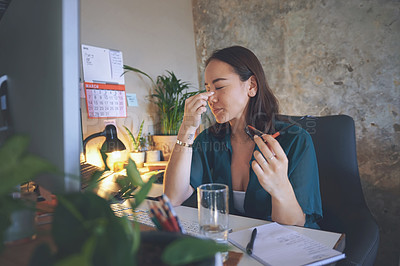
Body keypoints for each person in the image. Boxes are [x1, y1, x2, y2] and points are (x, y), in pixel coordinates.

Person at [164, 46, 322, 228]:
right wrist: (186, 127)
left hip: (282, 245)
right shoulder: (208, 141)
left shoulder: (294, 140)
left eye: (219, 87)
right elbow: (174, 197)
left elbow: (295, 225)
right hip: (229, 245)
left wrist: (280, 187)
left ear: (252, 86)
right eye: (207, 89)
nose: (210, 98)